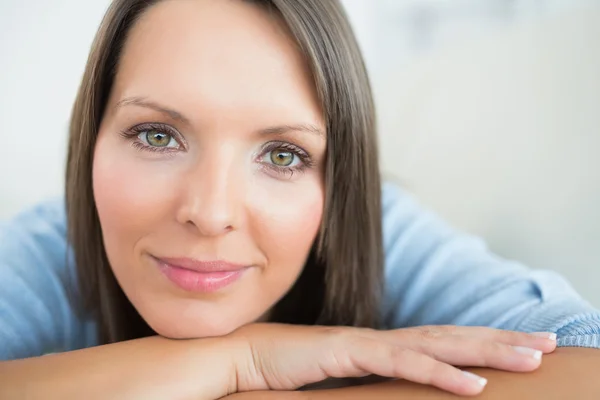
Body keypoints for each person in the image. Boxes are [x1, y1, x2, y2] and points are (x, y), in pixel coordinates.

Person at [0, 0, 598, 398]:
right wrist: (243, 362)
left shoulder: (381, 233)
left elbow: (583, 365)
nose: (211, 213)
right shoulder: (47, 250)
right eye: (157, 136)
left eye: (283, 155)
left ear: (339, 180)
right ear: (91, 142)